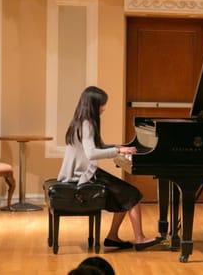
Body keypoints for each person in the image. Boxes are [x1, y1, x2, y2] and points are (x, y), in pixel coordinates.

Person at [57, 86, 161, 251]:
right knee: (133, 194)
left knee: (125, 194)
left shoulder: (79, 120)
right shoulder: (88, 123)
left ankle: (113, 237)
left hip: (80, 173)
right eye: (101, 105)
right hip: (83, 176)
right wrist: (118, 151)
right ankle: (140, 238)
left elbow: (97, 146)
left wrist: (118, 146)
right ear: (93, 105)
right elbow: (91, 153)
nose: (103, 108)